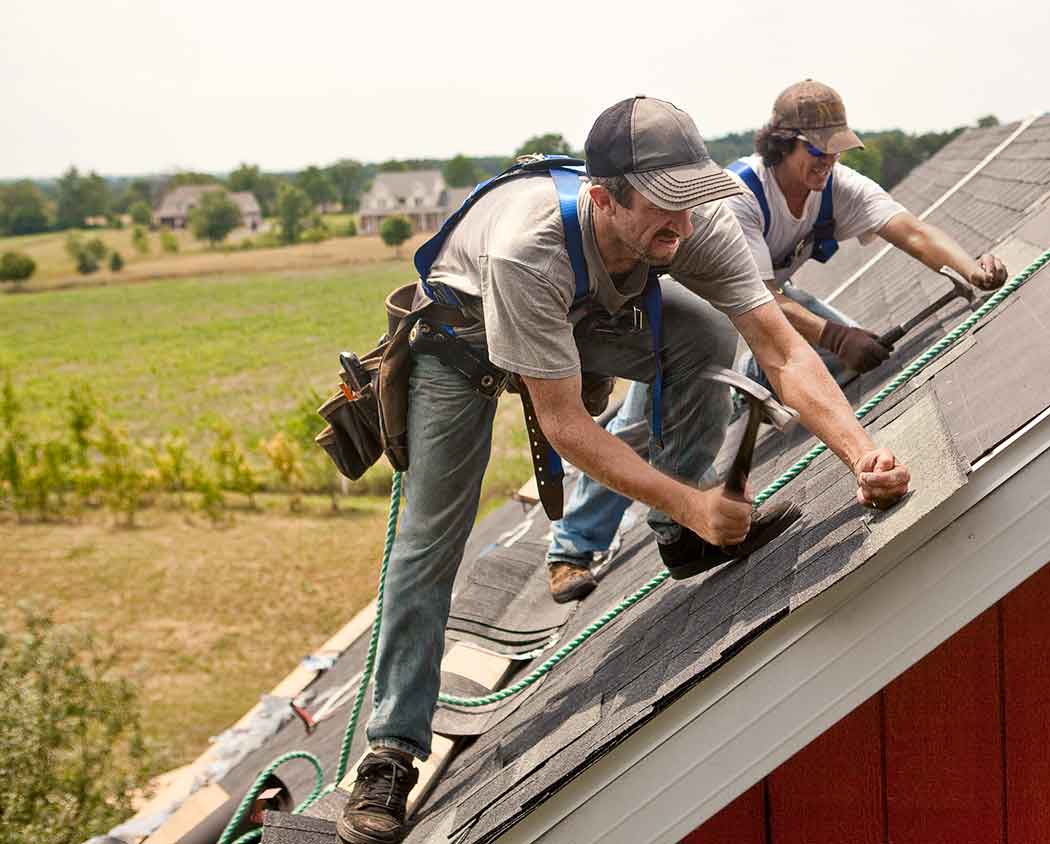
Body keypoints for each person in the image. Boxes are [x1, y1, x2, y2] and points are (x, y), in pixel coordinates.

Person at [337, 96, 911, 844]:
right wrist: (703, 498)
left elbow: (781, 348)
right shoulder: (528, 248)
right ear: (604, 199)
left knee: (704, 333)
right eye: (664, 211)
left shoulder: (685, 224)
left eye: (690, 206)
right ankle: (392, 750)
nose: (682, 227)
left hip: (576, 307)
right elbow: (566, 425)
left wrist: (860, 453)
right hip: (463, 336)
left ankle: (680, 535)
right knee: (430, 538)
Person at [545, 80, 1005, 596]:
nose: (829, 158)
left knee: (833, 366)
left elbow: (911, 232)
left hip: (762, 309)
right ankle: (573, 546)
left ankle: (739, 390)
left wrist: (972, 270)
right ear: (782, 144)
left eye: (838, 148)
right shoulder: (739, 196)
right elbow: (767, 305)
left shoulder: (837, 188)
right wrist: (834, 333)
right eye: (818, 148)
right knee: (641, 424)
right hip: (693, 316)